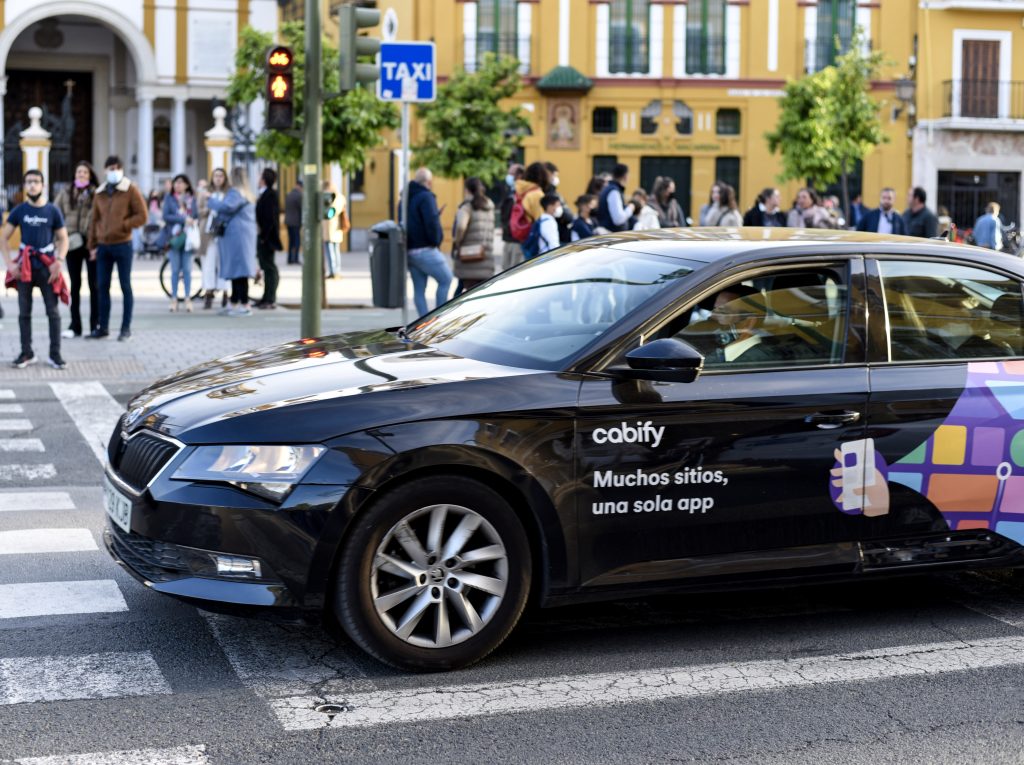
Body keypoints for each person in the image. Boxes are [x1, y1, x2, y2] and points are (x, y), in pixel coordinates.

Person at [0, 170, 70, 369]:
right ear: (24, 186)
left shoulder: (52, 211)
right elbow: (4, 237)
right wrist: (10, 264)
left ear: (43, 185)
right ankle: (26, 353)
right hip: (25, 268)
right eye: (28, 182)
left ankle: (55, 355)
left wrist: (59, 260)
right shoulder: (19, 211)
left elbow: (63, 238)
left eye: (36, 182)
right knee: (24, 313)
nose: (32, 185)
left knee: (53, 312)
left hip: (48, 268)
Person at [87, 155, 147, 341]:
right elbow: (94, 220)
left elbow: (142, 215)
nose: (113, 172)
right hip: (103, 247)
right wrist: (92, 245)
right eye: (110, 168)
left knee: (125, 286)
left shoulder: (130, 189)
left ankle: (125, 328)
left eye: (116, 168)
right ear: (105, 170)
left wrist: (124, 225)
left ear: (120, 169)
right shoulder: (100, 192)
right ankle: (103, 327)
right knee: (102, 287)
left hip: (123, 244)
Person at [54, 161, 98, 337]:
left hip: (91, 244)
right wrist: (60, 239)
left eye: (85, 173)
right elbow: (56, 214)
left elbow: (100, 220)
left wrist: (97, 244)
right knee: (75, 285)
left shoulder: (96, 194)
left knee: (94, 286)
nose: (81, 175)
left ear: (90, 175)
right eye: (79, 172)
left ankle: (95, 324)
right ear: (75, 175)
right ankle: (75, 325)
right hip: (72, 243)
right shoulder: (65, 193)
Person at [207, 166, 257, 316]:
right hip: (243, 235)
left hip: (236, 235)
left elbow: (226, 207)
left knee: (238, 270)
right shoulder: (247, 193)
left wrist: (210, 199)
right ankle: (234, 302)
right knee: (238, 269)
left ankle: (244, 304)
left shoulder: (235, 192)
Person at [403, 167, 452, 316]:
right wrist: (436, 240)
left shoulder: (405, 198)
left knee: (419, 289)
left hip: (409, 250)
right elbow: (431, 223)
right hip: (425, 249)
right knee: (446, 279)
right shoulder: (426, 197)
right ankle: (438, 319)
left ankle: (423, 322)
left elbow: (412, 220)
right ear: (429, 182)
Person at [451, 177, 496, 292]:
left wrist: (457, 241)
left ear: (467, 190)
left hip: (469, 257)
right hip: (485, 255)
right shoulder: (489, 206)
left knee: (463, 292)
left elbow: (461, 226)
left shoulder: (466, 207)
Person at [162, 173, 197, 312]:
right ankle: (174, 298)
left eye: (181, 182)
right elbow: (166, 216)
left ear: (187, 185)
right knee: (175, 270)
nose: (178, 185)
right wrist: (182, 220)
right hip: (174, 238)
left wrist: (192, 220)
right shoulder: (169, 198)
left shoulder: (191, 199)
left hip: (188, 238)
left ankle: (188, 298)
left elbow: (196, 215)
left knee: (187, 270)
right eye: (176, 182)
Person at [198, 168, 230, 310]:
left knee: (223, 264)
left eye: (221, 176)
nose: (218, 178)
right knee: (208, 264)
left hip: (223, 232)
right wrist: (209, 208)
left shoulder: (229, 192)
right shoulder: (205, 192)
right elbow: (198, 210)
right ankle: (209, 292)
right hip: (209, 232)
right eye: (216, 176)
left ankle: (225, 291)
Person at [254, 168, 283, 309]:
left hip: (267, 238)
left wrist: (264, 237)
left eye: (260, 177)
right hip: (264, 236)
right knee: (266, 267)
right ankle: (266, 297)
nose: (258, 179)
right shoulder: (265, 194)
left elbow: (269, 219)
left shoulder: (270, 195)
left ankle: (270, 298)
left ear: (264, 180)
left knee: (269, 268)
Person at [499, 163, 525, 271]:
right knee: (505, 270)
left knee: (515, 271)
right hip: (508, 239)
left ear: (519, 176)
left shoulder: (523, 193)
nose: (509, 176)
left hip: (517, 241)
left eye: (511, 173)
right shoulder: (510, 191)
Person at [595, 163, 634, 233]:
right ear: (625, 176)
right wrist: (630, 208)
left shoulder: (608, 189)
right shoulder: (614, 191)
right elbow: (618, 219)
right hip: (610, 236)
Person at [543, 161, 574, 244]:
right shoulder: (547, 192)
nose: (556, 178)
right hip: (556, 234)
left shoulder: (554, 191)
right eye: (555, 175)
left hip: (561, 233)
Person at [321, 180, 345, 279]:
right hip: (333, 228)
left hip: (332, 227)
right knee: (334, 250)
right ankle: (335, 270)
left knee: (331, 250)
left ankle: (334, 271)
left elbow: (332, 212)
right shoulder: (339, 197)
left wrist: (326, 213)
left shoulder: (336, 198)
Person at [284, 178, 303, 264]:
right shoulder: (299, 195)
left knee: (291, 241)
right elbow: (301, 208)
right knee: (296, 241)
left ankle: (289, 259)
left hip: (288, 221)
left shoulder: (289, 194)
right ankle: (295, 258)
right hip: (296, 221)